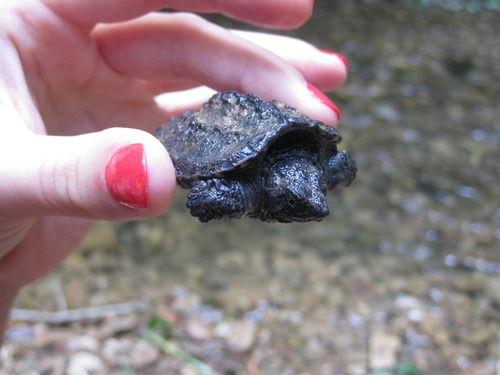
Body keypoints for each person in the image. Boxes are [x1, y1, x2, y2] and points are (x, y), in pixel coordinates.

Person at [0, 0, 348, 341]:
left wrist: (7, 276)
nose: (318, 206)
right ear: (272, 191)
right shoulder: (248, 189)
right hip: (206, 133)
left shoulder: (314, 160)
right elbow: (203, 198)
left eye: (314, 191)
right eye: (297, 200)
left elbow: (338, 164)